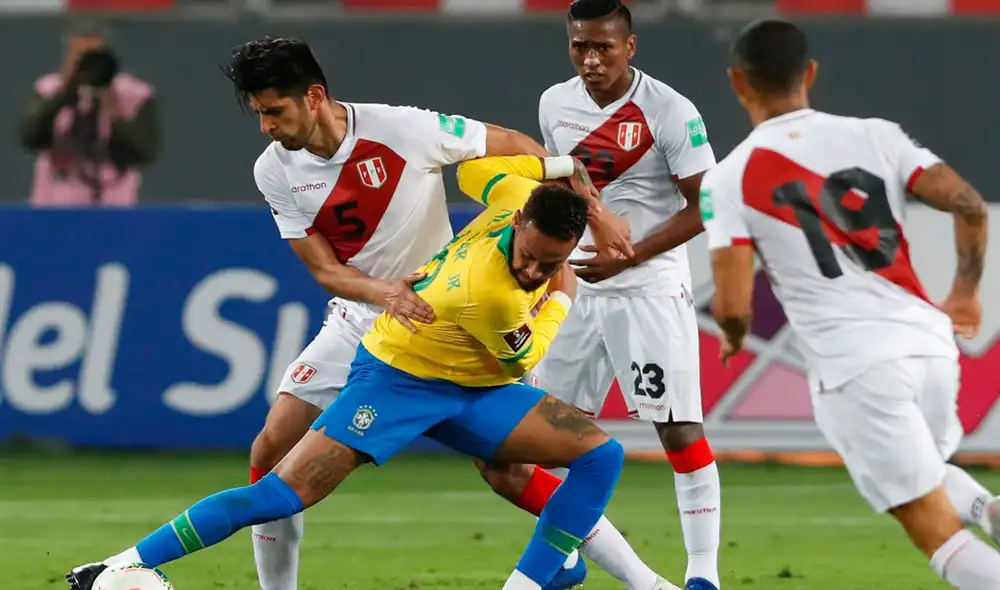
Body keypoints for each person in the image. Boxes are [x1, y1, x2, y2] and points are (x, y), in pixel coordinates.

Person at [65, 154, 632, 590]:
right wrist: (564, 291)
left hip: (466, 386)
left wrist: (561, 168)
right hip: (398, 378)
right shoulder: (488, 292)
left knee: (600, 455)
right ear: (522, 222)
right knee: (280, 495)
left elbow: (479, 169)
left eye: (549, 263)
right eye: (529, 255)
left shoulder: (517, 200)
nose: (533, 269)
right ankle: (123, 566)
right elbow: (523, 358)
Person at [701, 18, 1000, 590]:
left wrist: (736, 336)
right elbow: (968, 204)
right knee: (931, 474)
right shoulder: (878, 135)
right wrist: (964, 290)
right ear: (810, 73)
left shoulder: (729, 177)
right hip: (930, 345)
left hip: (855, 364)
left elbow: (734, 302)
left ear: (738, 82)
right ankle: (987, 509)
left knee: (929, 524)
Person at [483, 2, 723, 589]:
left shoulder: (670, 110)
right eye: (579, 47)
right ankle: (565, 557)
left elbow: (709, 204)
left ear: (630, 46)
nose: (591, 60)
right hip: (575, 290)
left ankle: (702, 575)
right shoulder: (553, 103)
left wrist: (632, 254)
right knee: (539, 438)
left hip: (648, 288)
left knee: (678, 429)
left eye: (604, 48)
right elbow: (565, 180)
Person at [19, 17, 159, 206]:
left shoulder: (134, 95)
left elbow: (144, 151)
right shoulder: (47, 90)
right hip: (54, 206)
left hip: (116, 207)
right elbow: (29, 138)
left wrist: (112, 108)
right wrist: (63, 96)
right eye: (80, 57)